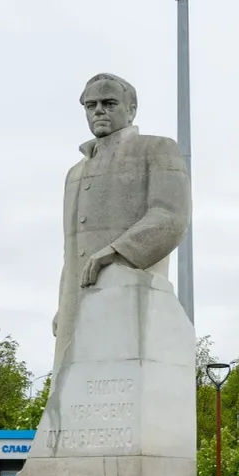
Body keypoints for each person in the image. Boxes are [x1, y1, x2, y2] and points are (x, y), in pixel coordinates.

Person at [49, 73, 192, 377]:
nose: (98, 110)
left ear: (131, 109)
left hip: (128, 292)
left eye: (109, 103)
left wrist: (116, 252)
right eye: (91, 105)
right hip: (77, 306)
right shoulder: (75, 173)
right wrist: (64, 303)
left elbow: (170, 216)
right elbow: (71, 250)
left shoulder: (156, 149)